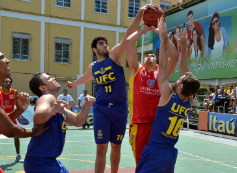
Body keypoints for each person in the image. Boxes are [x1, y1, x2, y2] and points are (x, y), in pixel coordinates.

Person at [65, 4, 159, 173]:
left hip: (119, 108)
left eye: (106, 43)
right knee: (101, 148)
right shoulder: (92, 67)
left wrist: (139, 14)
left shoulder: (115, 56)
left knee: (116, 146)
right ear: (95, 49)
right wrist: (73, 83)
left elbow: (128, 36)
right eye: (101, 44)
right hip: (101, 108)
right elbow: (84, 78)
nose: (105, 45)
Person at [136, 17, 200, 172]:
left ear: (181, 86)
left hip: (156, 151)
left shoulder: (166, 96)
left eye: (179, 79)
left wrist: (163, 39)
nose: (178, 77)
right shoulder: (188, 100)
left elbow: (163, 67)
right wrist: (183, 47)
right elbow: (185, 72)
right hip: (170, 153)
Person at [0, 48, 48, 173]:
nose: (7, 61)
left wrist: (19, 110)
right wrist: (36, 131)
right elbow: (9, 130)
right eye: (2, 57)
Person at [125, 18, 179, 165]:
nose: (149, 56)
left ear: (157, 63)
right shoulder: (136, 71)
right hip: (139, 124)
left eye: (153, 56)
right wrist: (144, 29)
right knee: (142, 163)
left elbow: (174, 57)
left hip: (158, 125)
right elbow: (129, 43)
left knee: (158, 163)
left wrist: (163, 36)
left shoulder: (161, 74)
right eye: (146, 55)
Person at [24, 72, 95, 173]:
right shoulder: (46, 98)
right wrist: (51, 111)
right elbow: (37, 118)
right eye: (48, 78)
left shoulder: (55, 105)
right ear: (43, 88)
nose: (53, 78)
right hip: (39, 161)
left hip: (49, 160)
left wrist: (86, 105)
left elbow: (78, 121)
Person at [1, 77, 24, 162]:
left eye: (9, 82)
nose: (8, 83)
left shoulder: (14, 92)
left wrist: (19, 114)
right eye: (6, 81)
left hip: (12, 117)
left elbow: (18, 104)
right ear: (2, 83)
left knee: (16, 135)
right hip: (0, 117)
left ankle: (18, 155)